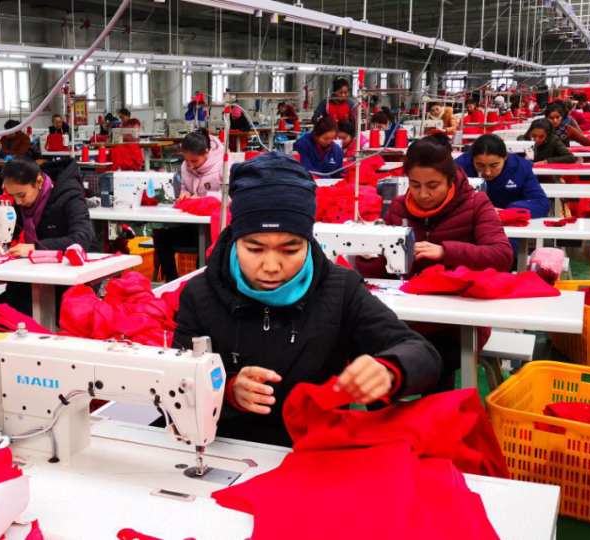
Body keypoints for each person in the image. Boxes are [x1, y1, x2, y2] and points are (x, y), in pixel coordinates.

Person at [173, 152, 442, 447]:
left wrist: (391, 369)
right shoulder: (200, 294)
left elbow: (422, 353)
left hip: (315, 448)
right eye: (255, 249)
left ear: (309, 241)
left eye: (290, 250)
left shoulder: (341, 289)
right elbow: (179, 384)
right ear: (235, 239)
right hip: (226, 444)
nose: (271, 266)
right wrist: (227, 392)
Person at [357, 133, 512, 393]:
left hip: (459, 323)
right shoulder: (398, 207)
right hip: (407, 317)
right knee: (370, 362)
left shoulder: (476, 204)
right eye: (415, 185)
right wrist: (367, 258)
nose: (423, 194)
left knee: (428, 364)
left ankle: (435, 415)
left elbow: (502, 256)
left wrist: (445, 252)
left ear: (450, 179)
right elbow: (387, 270)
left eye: (432, 185)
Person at [0, 156, 95, 315]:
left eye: (21, 195)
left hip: (76, 273)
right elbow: (9, 230)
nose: (17, 202)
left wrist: (35, 248)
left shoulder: (69, 196)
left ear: (39, 182)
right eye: (13, 196)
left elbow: (82, 239)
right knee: (6, 303)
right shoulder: (25, 202)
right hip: (44, 270)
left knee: (22, 307)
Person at [153, 129, 223, 281]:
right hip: (193, 226)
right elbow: (184, 188)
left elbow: (232, 195)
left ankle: (203, 284)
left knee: (205, 252)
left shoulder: (224, 164)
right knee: (162, 238)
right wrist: (184, 194)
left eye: (195, 161)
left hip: (215, 229)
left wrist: (204, 199)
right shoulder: (186, 166)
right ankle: (171, 281)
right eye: (187, 161)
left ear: (207, 152)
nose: (190, 166)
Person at [456, 135, 549, 219]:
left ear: (505, 157)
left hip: (507, 224)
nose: (487, 172)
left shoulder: (520, 168)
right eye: (480, 165)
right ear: (472, 158)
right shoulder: (459, 168)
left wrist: (506, 212)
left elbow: (541, 203)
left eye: (494, 165)